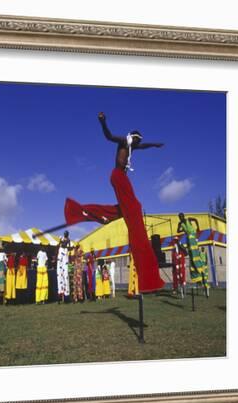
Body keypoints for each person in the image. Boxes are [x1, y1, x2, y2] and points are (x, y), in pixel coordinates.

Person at [63, 112, 165, 293]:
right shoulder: (124, 141)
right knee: (134, 207)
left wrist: (154, 145)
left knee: (125, 210)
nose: (137, 145)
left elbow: (144, 146)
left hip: (121, 177)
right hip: (118, 176)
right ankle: (95, 213)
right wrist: (103, 122)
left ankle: (93, 213)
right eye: (137, 141)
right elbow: (109, 136)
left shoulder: (133, 146)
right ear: (132, 137)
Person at [177, 213, 209, 292]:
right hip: (188, 236)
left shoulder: (188, 219)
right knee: (191, 252)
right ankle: (197, 276)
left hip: (192, 234)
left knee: (193, 250)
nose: (181, 218)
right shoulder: (180, 223)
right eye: (179, 217)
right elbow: (177, 231)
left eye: (181, 217)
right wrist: (181, 229)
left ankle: (198, 265)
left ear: (183, 216)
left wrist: (198, 227)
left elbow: (195, 219)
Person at [56, 231, 72, 303]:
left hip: (65, 254)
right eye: (65, 233)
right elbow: (59, 245)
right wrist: (60, 242)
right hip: (61, 254)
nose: (65, 235)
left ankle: (66, 297)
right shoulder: (62, 238)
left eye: (66, 234)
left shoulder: (68, 240)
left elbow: (68, 247)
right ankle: (60, 296)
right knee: (59, 275)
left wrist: (68, 248)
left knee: (65, 275)